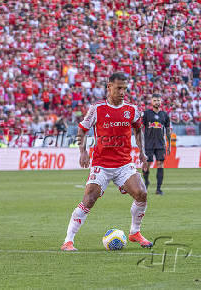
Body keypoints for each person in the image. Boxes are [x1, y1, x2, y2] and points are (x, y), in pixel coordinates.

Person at [60, 72, 152, 251]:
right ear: (109, 87)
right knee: (89, 199)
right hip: (101, 164)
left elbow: (138, 131)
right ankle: (68, 241)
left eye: (125, 88)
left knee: (141, 193)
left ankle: (135, 232)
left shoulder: (132, 110)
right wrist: (83, 152)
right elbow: (82, 130)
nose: (122, 92)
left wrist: (142, 152)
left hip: (124, 164)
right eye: (119, 88)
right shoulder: (97, 109)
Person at [142, 94, 171, 195]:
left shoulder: (165, 115)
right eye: (155, 100)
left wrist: (169, 144)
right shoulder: (146, 114)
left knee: (160, 164)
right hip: (149, 144)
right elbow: (140, 128)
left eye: (158, 100)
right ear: (151, 102)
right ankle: (146, 182)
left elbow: (167, 130)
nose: (157, 102)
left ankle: (158, 189)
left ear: (161, 102)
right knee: (146, 165)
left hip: (160, 144)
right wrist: (141, 143)